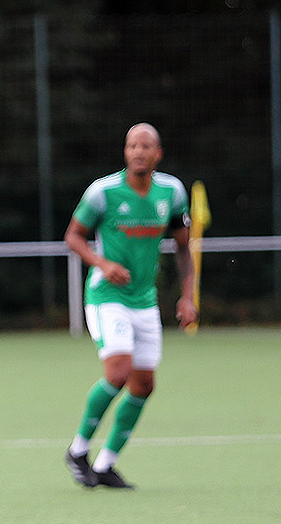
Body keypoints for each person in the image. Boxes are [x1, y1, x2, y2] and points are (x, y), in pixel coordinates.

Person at [64, 123, 196, 489]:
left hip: (144, 301)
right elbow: (72, 237)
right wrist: (103, 264)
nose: (138, 151)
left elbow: (183, 247)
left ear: (158, 154)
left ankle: (106, 464)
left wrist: (187, 296)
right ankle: (78, 450)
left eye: (145, 146)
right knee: (118, 372)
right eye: (131, 145)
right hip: (106, 297)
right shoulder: (102, 192)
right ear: (125, 152)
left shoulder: (172, 192)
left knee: (144, 385)